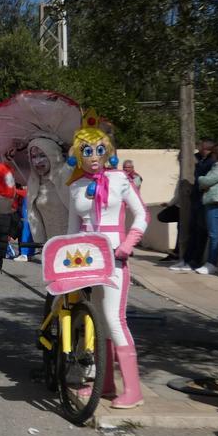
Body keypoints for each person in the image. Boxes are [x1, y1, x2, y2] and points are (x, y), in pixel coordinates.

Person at [66, 119, 148, 408]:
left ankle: (134, 390)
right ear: (78, 154)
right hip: (87, 260)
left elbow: (141, 216)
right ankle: (107, 385)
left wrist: (127, 245)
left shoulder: (120, 180)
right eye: (86, 151)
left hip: (115, 257)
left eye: (99, 149)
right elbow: (71, 231)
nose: (94, 156)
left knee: (115, 319)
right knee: (98, 322)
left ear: (108, 151)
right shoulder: (75, 187)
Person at [171, 139, 215, 271]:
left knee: (201, 232)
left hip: (204, 200)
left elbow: (204, 180)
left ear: (205, 148)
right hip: (196, 199)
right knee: (192, 230)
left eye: (200, 146)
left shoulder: (211, 162)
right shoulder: (200, 159)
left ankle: (194, 261)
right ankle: (186, 259)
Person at [195, 142, 218, 275]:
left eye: (213, 154)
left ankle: (212, 263)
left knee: (213, 234)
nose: (211, 156)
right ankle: (211, 262)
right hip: (217, 201)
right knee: (214, 233)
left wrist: (200, 178)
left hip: (216, 201)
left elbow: (205, 181)